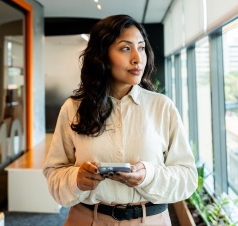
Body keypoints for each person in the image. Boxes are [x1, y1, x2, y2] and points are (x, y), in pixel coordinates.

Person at [43, 14, 197, 225]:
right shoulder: (73, 108)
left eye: (141, 47)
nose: (137, 58)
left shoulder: (162, 107)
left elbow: (188, 178)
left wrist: (148, 175)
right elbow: (53, 173)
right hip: (87, 219)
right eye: (125, 48)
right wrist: (76, 179)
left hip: (150, 220)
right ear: (102, 55)